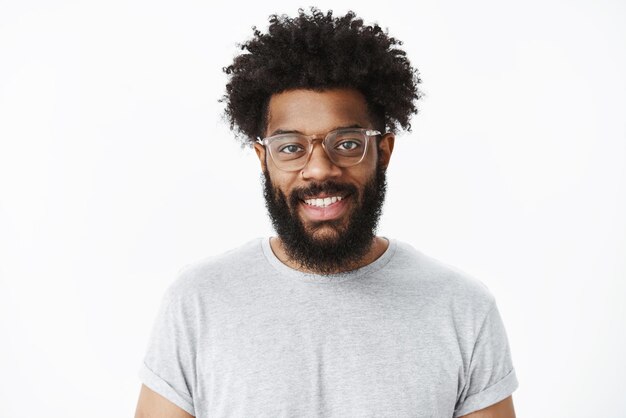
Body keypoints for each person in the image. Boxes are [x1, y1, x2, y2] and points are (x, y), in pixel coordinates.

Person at [134, 8, 518, 418]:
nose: (319, 169)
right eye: (290, 147)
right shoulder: (197, 301)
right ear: (263, 159)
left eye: (348, 143)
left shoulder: (460, 307)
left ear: (383, 152)